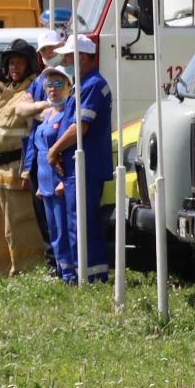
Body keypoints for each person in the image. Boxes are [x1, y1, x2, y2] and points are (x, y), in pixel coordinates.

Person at [43, 34, 115, 283]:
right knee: (75, 222)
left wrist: (53, 152)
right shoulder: (82, 84)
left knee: (83, 223)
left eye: (67, 55)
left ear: (82, 57)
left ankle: (92, 278)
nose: (63, 59)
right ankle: (78, 275)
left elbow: (79, 127)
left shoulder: (92, 84)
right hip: (76, 166)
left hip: (86, 165)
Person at [0, 38, 47, 277]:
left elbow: (35, 136)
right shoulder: (5, 92)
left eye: (20, 63)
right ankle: (0, 273)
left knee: (20, 227)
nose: (15, 67)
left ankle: (26, 272)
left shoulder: (31, 93)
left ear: (29, 65)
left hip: (17, 171)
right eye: (11, 63)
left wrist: (28, 171)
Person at [33, 65, 75, 277]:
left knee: (64, 230)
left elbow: (69, 150)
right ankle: (60, 270)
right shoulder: (47, 114)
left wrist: (63, 180)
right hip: (45, 183)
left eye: (59, 84)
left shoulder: (68, 113)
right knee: (53, 231)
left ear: (68, 86)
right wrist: (41, 186)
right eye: (49, 84)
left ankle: (69, 274)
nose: (53, 88)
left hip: (59, 182)